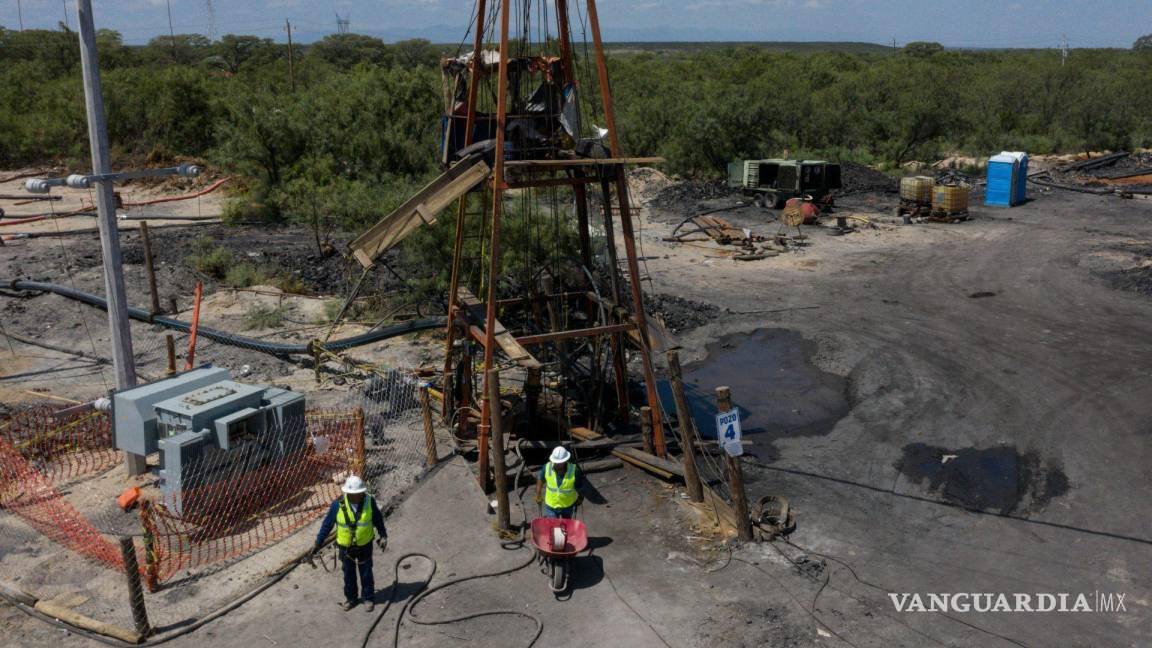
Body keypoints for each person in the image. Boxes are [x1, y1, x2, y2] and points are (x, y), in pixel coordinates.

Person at [314, 475, 388, 612]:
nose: (358, 496)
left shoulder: (369, 502)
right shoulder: (337, 505)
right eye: (355, 494)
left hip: (365, 545)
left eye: (360, 493)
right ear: (347, 493)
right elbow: (327, 525)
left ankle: (368, 598)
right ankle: (351, 599)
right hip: (345, 548)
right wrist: (318, 542)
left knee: (366, 573)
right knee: (348, 574)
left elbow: (378, 519)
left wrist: (383, 535)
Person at [535, 446, 584, 518]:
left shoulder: (574, 471)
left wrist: (580, 498)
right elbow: (540, 480)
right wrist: (538, 494)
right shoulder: (547, 467)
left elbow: (579, 486)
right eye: (556, 462)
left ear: (566, 460)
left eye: (560, 462)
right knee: (553, 526)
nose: (558, 464)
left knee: (566, 526)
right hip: (551, 505)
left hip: (567, 505)